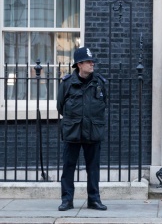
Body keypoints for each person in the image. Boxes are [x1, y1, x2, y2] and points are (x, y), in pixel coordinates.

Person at [57, 46, 108, 211]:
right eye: (88, 61)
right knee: (68, 167)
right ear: (79, 64)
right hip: (72, 131)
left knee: (93, 168)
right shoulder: (67, 84)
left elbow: (104, 103)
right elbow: (60, 107)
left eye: (92, 61)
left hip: (93, 132)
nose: (92, 64)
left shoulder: (99, 82)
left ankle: (94, 200)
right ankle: (67, 200)